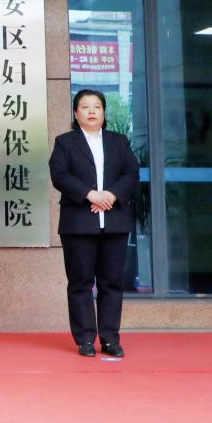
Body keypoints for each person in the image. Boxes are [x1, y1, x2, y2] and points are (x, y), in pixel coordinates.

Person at [48, 89, 139, 358]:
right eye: (85, 107)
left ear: (103, 112)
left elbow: (131, 173)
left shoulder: (119, 142)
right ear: (76, 113)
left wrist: (111, 195)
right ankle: (85, 338)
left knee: (112, 282)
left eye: (96, 107)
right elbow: (59, 175)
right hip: (78, 222)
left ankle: (110, 339)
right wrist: (90, 194)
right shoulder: (65, 142)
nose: (91, 111)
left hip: (114, 220)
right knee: (80, 282)